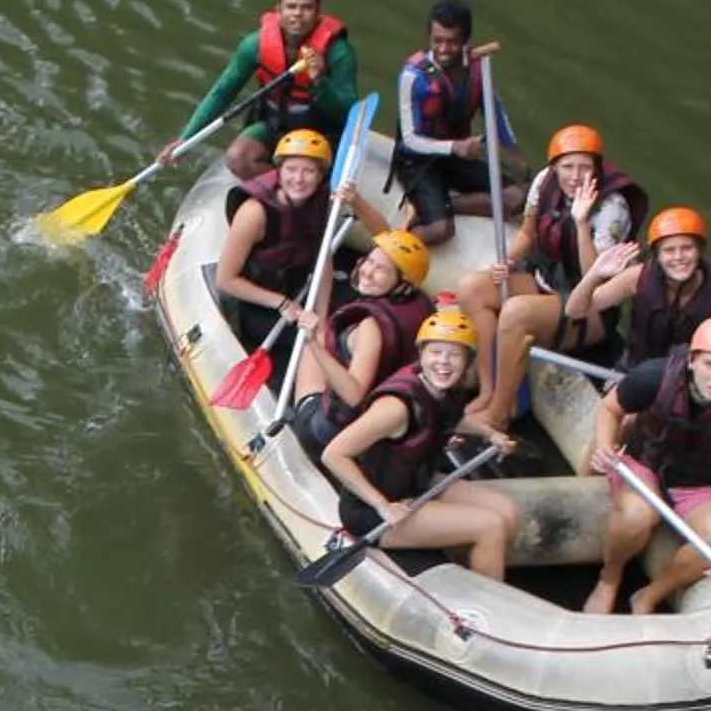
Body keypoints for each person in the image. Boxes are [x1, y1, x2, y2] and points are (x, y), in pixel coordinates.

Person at [457, 125, 649, 438]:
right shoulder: (544, 182)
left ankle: (498, 415)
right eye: (567, 167)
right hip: (546, 280)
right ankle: (488, 390)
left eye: (584, 167)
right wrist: (509, 259)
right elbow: (528, 233)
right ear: (555, 166)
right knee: (472, 289)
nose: (575, 176)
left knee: (515, 313)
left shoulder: (612, 209)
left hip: (588, 306)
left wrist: (582, 220)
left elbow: (596, 276)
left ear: (596, 168)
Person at [587, 312, 711, 615]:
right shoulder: (655, 376)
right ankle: (609, 579)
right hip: (646, 462)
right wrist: (606, 446)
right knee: (636, 515)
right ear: (692, 360)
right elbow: (609, 409)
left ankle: (649, 596)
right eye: (710, 364)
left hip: (701, 482)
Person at [319, 306, 524, 575]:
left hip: (417, 484)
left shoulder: (446, 391)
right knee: (492, 525)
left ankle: (472, 562)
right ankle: (485, 606)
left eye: (454, 355)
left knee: (509, 513)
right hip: (373, 509)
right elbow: (333, 455)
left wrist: (491, 435)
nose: (444, 362)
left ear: (467, 362)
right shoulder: (395, 408)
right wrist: (383, 506)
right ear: (422, 354)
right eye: (436, 352)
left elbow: (449, 418)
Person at [161, 0, 360, 184]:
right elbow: (222, 92)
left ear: (318, 12)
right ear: (278, 10)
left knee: (306, 168)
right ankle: (285, 193)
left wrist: (319, 80)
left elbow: (347, 111)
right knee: (237, 158)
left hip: (319, 131)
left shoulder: (340, 53)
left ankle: (307, 190)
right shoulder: (254, 45)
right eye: (291, 7)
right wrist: (186, 139)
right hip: (272, 123)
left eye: (306, 8)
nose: (298, 14)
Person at [282, 228, 434, 453]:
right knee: (325, 328)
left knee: (319, 333)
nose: (368, 272)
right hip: (374, 422)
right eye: (369, 261)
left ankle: (300, 415)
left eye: (381, 269)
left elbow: (353, 395)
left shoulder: (370, 328)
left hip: (328, 431)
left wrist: (313, 341)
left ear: (402, 283)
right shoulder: (423, 306)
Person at [560, 205, 711, 372]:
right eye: (669, 250)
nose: (678, 257)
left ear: (699, 251)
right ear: (657, 256)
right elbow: (575, 311)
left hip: (688, 383)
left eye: (687, 248)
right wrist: (595, 274)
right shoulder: (637, 277)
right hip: (635, 371)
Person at [387, 0, 519, 245]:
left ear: (465, 40)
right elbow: (409, 139)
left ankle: (446, 205)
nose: (444, 49)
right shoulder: (413, 76)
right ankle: (403, 233)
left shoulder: (479, 69)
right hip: (416, 160)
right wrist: (454, 147)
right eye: (437, 40)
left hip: (454, 158)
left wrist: (513, 151)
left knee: (516, 195)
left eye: (452, 42)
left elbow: (495, 113)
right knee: (440, 230)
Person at [211, 128, 338, 351]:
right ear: (278, 171)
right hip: (256, 303)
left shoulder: (321, 202)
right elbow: (225, 280)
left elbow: (323, 259)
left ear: (320, 177)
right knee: (317, 349)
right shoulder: (254, 214)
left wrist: (322, 317)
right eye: (291, 169)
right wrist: (281, 303)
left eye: (308, 171)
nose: (298, 179)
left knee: (334, 334)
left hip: (297, 290)